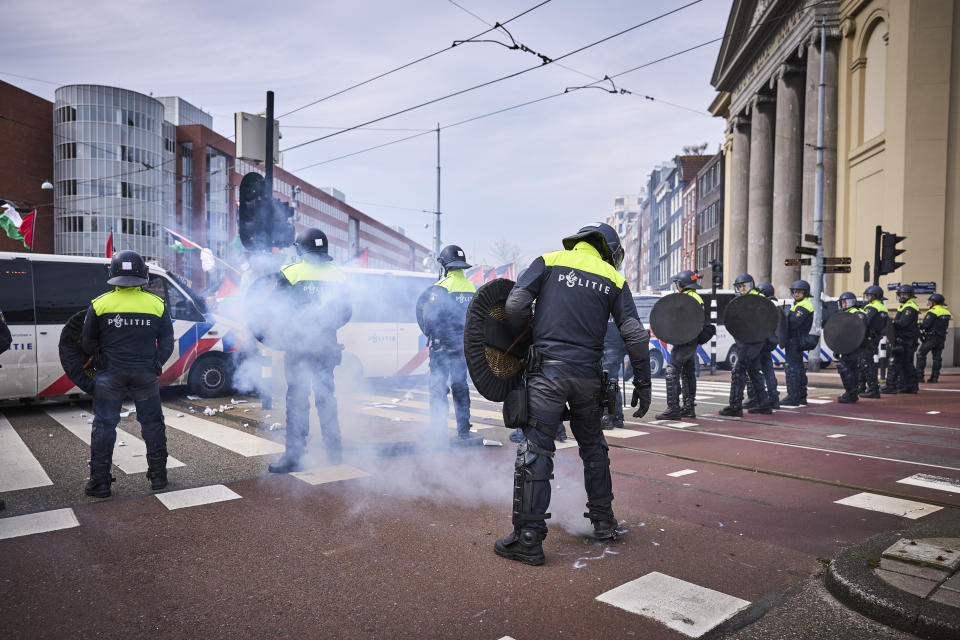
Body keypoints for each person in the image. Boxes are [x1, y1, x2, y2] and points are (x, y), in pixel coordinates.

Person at [494, 222, 651, 566]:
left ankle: (529, 539)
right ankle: (604, 522)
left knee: (536, 451)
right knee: (594, 449)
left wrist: (532, 334)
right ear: (607, 250)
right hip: (588, 377)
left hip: (548, 373)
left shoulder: (548, 261)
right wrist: (643, 382)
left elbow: (516, 305)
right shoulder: (613, 278)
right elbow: (635, 336)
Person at [81, 250, 174, 497]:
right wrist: (156, 363)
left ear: (112, 273)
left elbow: (87, 343)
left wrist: (101, 357)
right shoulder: (157, 304)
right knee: (153, 424)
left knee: (105, 425)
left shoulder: (99, 304)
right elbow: (167, 342)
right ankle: (158, 477)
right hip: (145, 375)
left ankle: (100, 483)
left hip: (110, 375)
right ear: (143, 274)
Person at [268, 228, 352, 473]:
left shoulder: (290, 273)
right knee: (326, 398)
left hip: (298, 347)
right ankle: (334, 453)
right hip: (326, 346)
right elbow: (347, 313)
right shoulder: (339, 276)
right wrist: (326, 327)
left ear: (300, 248)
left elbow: (274, 309)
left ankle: (294, 455)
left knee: (297, 400)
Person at [420, 244, 477, 441]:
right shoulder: (472, 288)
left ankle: (438, 432)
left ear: (445, 265)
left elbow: (429, 319)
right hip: (462, 348)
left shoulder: (441, 287)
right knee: (460, 387)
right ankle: (464, 431)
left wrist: (429, 333)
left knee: (438, 388)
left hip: (442, 348)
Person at [655, 270, 705, 420]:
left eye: (678, 284)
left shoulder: (686, 299)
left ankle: (673, 408)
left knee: (672, 370)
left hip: (684, 340)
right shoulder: (696, 297)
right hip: (691, 340)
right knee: (688, 372)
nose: (677, 287)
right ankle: (689, 408)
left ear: (682, 284)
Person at [719, 274, 770, 417]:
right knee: (754, 372)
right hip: (752, 342)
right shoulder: (751, 299)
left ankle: (735, 406)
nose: (742, 289)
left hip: (750, 342)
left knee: (738, 371)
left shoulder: (754, 300)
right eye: (739, 286)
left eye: (744, 285)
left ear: (751, 285)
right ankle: (764, 404)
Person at [743, 282, 780, 410]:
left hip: (760, 342)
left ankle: (756, 399)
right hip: (769, 342)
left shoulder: (762, 305)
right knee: (769, 371)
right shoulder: (774, 304)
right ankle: (774, 398)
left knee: (755, 372)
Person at [882, 284, 920, 394]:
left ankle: (891, 386)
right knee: (905, 364)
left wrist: (892, 324)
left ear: (910, 295)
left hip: (905, 340)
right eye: (901, 294)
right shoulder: (904, 306)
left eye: (905, 294)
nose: (902, 296)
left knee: (895, 363)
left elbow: (903, 323)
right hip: (904, 339)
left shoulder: (910, 308)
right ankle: (909, 386)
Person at [782, 280, 814, 406]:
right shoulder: (798, 304)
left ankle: (793, 397)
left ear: (805, 293)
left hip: (795, 340)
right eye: (794, 291)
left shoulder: (803, 306)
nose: (796, 293)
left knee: (792, 369)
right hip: (796, 340)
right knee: (799, 369)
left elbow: (794, 323)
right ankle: (801, 396)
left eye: (799, 291)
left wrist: (786, 314)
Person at [834, 292, 868, 403]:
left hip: (855, 347)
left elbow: (859, 331)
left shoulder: (858, 313)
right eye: (842, 302)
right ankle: (851, 392)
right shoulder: (843, 314)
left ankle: (851, 393)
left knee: (848, 369)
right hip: (846, 347)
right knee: (847, 369)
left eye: (846, 301)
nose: (844, 304)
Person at [859, 285, 888, 399]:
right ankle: (863, 387)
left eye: (869, 295)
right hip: (875, 338)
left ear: (875, 296)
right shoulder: (882, 307)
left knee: (867, 363)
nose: (867, 297)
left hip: (868, 339)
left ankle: (873, 389)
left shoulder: (872, 307)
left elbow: (863, 321)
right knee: (865, 362)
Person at [917, 294, 951, 383]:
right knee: (937, 357)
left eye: (930, 302)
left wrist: (918, 324)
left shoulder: (933, 311)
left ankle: (919, 377)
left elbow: (925, 325)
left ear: (935, 302)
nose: (929, 303)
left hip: (931, 337)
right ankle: (935, 377)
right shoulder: (946, 312)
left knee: (921, 354)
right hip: (941, 337)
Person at [601, 318, 627, 429]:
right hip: (617, 349)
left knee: (605, 383)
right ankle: (618, 417)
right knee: (613, 382)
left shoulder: (600, 307)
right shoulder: (617, 308)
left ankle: (607, 418)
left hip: (606, 348)